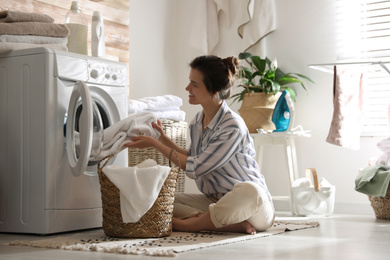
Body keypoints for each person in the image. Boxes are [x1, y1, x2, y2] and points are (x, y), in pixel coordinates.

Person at [125, 55, 275, 235]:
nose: (188, 88)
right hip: (215, 201)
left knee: (251, 191)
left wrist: (155, 145)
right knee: (158, 197)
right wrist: (162, 139)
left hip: (254, 206)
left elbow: (195, 168)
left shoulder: (232, 126)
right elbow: (192, 158)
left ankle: (187, 224)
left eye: (195, 85)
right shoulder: (197, 122)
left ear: (213, 91)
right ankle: (224, 222)